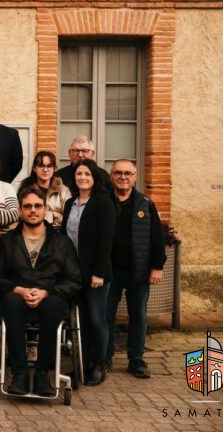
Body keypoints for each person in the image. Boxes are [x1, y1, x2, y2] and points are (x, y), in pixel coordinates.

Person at [0, 186, 81, 396]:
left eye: (38, 206)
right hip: (16, 297)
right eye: (28, 206)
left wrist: (46, 291)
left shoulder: (61, 242)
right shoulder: (7, 242)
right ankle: (19, 374)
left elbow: (74, 280)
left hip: (50, 298)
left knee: (56, 304)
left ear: (45, 209)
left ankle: (42, 375)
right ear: (20, 211)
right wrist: (19, 290)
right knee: (10, 301)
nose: (33, 210)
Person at [106, 159, 166, 378]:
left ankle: (136, 359)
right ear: (111, 175)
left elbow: (157, 238)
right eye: (118, 173)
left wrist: (157, 267)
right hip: (109, 271)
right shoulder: (103, 202)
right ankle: (105, 357)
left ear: (135, 177)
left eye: (128, 173)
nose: (123, 177)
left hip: (138, 271)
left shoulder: (145, 204)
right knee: (106, 316)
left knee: (138, 316)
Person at [61, 158, 116, 387]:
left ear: (94, 178)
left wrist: (99, 273)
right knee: (80, 321)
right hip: (75, 274)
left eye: (87, 174)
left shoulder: (103, 203)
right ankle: (81, 365)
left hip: (95, 274)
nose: (82, 177)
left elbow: (106, 242)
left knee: (96, 319)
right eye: (78, 174)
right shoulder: (70, 204)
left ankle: (99, 364)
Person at [19, 151, 72, 230]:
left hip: (58, 233)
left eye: (49, 166)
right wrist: (53, 215)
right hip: (31, 231)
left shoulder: (63, 190)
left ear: (54, 168)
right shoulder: (26, 189)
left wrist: (42, 216)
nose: (45, 170)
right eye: (41, 166)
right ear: (34, 168)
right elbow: (21, 216)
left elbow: (69, 220)